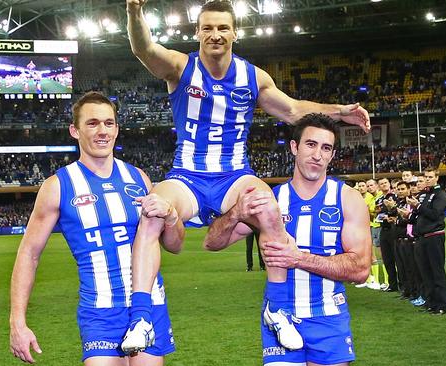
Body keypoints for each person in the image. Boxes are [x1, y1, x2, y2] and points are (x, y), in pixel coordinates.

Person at [122, 0, 370, 353]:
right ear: (197, 33)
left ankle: (277, 308)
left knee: (266, 204)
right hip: (187, 177)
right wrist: (134, 12)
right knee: (151, 211)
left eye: (223, 28)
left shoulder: (253, 77)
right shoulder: (180, 67)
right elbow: (144, 49)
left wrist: (341, 111)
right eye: (207, 28)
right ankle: (142, 319)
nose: (215, 34)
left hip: (233, 176)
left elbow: (295, 110)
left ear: (235, 33)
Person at [9, 92, 181, 365]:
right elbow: (28, 254)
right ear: (74, 131)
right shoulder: (58, 186)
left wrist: (171, 216)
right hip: (100, 309)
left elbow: (174, 245)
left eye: (109, 123)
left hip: (149, 305)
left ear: (117, 129)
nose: (102, 131)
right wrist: (18, 321)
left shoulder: (139, 177)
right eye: (92, 123)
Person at [204, 113, 371, 365]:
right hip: (279, 315)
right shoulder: (270, 200)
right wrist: (234, 213)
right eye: (311, 144)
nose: (317, 155)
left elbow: (360, 269)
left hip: (327, 317)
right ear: (294, 147)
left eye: (326, 148)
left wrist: (299, 259)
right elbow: (212, 243)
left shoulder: (348, 199)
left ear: (332, 155)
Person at [407, 167, 446, 315]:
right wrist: (409, 214)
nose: (428, 179)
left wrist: (417, 206)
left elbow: (435, 214)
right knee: (425, 272)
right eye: (426, 176)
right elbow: (416, 216)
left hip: (434, 236)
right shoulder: (424, 195)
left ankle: (442, 305)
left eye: (431, 176)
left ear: (437, 178)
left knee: (436, 271)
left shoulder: (441, 194)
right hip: (422, 237)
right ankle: (431, 303)